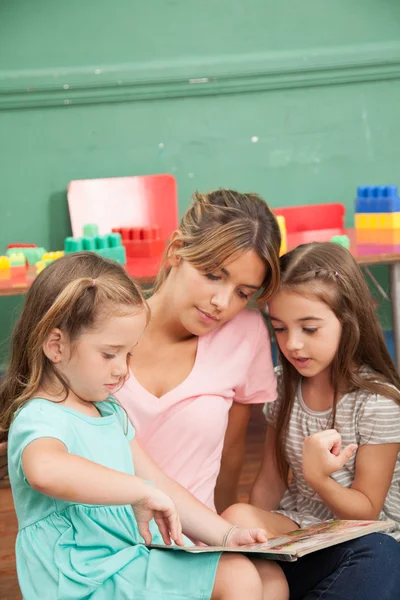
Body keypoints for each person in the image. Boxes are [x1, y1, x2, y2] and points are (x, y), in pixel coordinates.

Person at [0, 252, 288, 600]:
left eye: (129, 354)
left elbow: (160, 483)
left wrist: (226, 535)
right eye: (110, 354)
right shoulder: (40, 414)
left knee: (269, 577)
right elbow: (45, 469)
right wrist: (138, 491)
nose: (122, 369)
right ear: (56, 345)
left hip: (127, 560)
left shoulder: (109, 412)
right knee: (237, 577)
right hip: (83, 577)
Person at [223, 241, 400, 600]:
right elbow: (269, 485)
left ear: (347, 320)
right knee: (238, 515)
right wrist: (252, 543)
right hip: (304, 534)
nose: (293, 345)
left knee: (380, 555)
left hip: (365, 538)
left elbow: (366, 512)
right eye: (281, 329)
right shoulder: (283, 385)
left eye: (310, 329)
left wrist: (319, 477)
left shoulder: (377, 402)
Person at [115, 188, 282, 512]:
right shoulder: (106, 327)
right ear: (177, 250)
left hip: (193, 542)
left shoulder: (244, 335)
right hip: (104, 539)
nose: (222, 303)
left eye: (242, 293)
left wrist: (223, 539)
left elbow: (231, 455)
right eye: (212, 276)